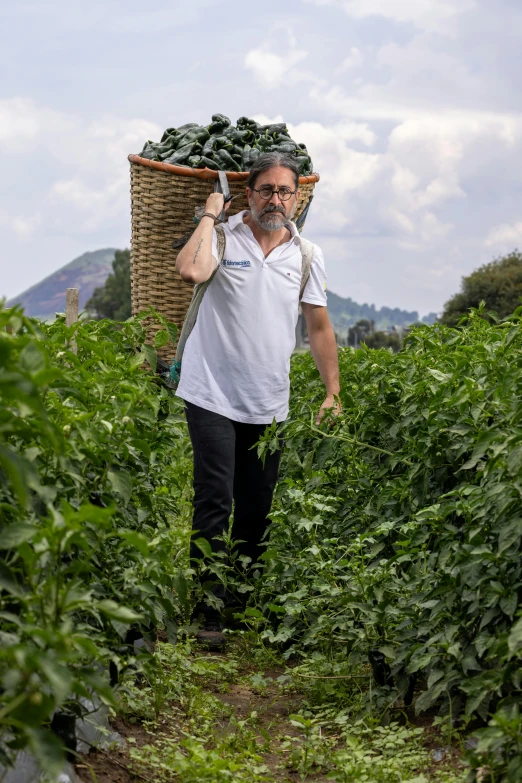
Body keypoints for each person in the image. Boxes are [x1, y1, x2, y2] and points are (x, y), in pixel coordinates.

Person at [175, 152, 340, 648]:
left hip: (269, 400)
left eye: (285, 191)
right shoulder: (225, 238)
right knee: (214, 498)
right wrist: (210, 212)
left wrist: (333, 392)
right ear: (249, 194)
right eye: (265, 189)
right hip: (210, 390)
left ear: (297, 197)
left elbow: (318, 325)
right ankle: (208, 613)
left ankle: (242, 602)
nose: (275, 199)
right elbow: (190, 271)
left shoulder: (306, 255)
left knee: (256, 507)